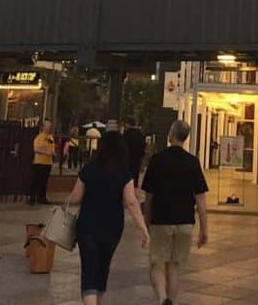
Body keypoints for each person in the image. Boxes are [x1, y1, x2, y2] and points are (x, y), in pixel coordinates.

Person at [67, 131, 150, 305]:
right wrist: (143, 229)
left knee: (89, 268)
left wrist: (66, 202)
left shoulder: (89, 168)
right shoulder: (124, 172)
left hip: (87, 226)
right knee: (103, 266)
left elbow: (75, 197)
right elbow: (131, 202)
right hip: (112, 227)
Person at [142, 119, 209, 305]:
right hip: (185, 223)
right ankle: (171, 299)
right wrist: (204, 229)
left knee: (157, 263)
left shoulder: (157, 160)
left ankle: (163, 298)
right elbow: (201, 202)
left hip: (160, 221)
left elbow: (149, 197)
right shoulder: (192, 163)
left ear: (171, 134)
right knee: (174, 265)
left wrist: (146, 223)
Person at [29, 119, 55, 205]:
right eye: (47, 126)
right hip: (39, 162)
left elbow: (52, 148)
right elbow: (36, 149)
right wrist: (45, 152)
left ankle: (42, 197)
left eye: (50, 126)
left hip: (48, 162)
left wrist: (52, 153)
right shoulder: (39, 137)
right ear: (43, 127)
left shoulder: (51, 137)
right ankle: (32, 198)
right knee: (36, 180)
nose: (48, 128)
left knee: (44, 181)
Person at [122, 122, 147, 188]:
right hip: (137, 160)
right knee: (135, 178)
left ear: (128, 124)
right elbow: (143, 149)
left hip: (126, 160)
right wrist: (142, 163)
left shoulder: (125, 134)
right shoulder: (140, 135)